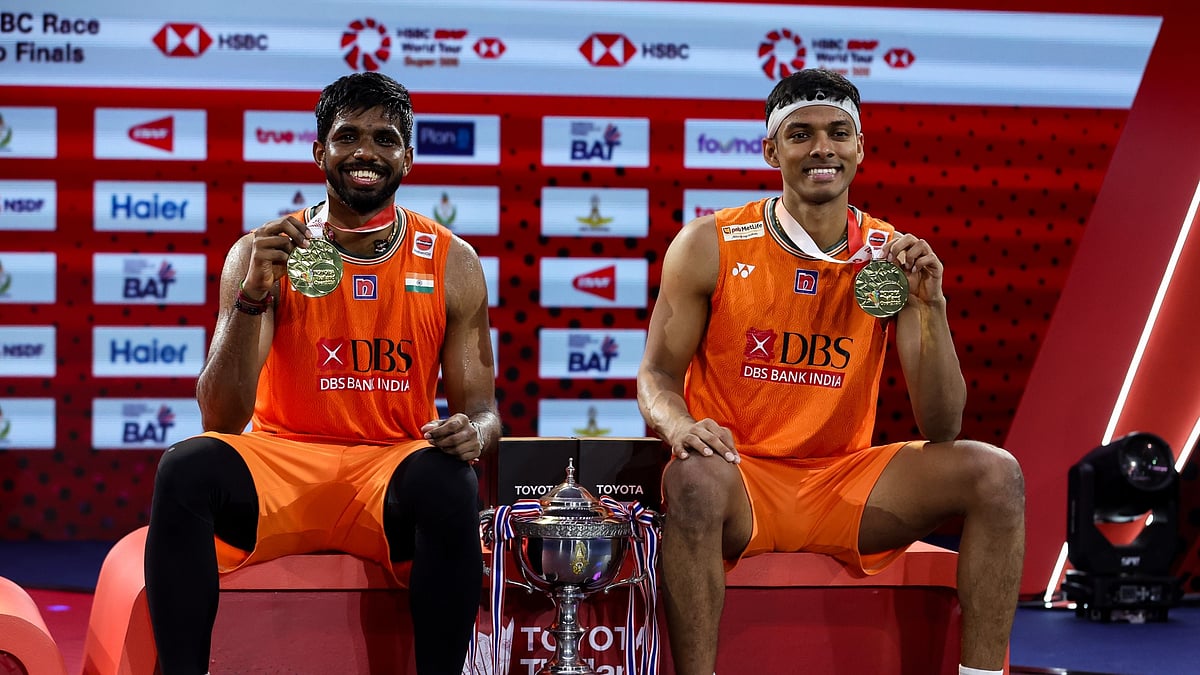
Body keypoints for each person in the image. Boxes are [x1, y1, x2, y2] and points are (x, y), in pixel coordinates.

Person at [637, 69, 1024, 675]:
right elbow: (657, 375)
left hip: (846, 482)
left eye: (839, 133)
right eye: (801, 135)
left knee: (995, 474)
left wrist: (931, 307)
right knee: (691, 480)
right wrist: (680, 425)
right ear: (772, 151)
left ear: (860, 148)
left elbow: (943, 424)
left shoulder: (890, 256)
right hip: (743, 478)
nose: (823, 148)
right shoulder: (711, 244)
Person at [144, 71, 499, 675]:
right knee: (185, 467)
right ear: (319, 152)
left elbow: (484, 412)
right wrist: (254, 294)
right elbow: (221, 417)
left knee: (450, 481)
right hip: (282, 466)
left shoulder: (452, 260)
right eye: (347, 136)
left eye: (385, 139)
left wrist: (473, 434)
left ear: (408, 159)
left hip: (389, 471)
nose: (365, 152)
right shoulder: (263, 251)